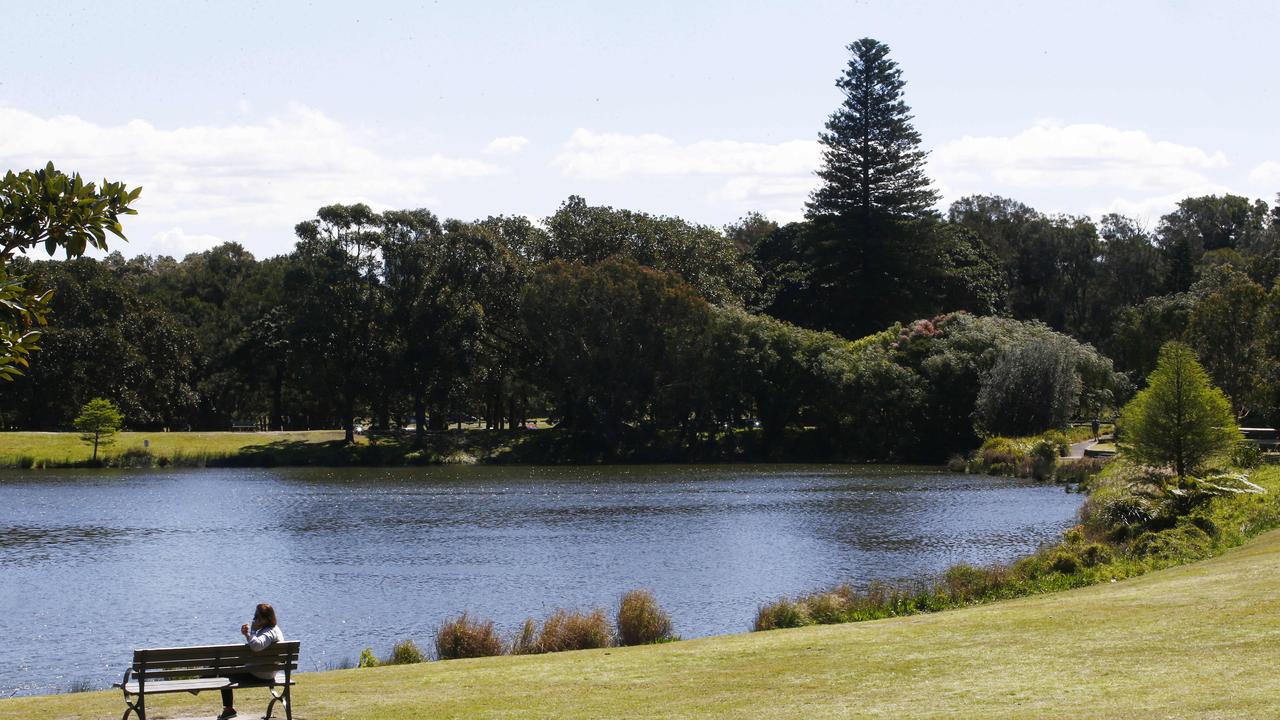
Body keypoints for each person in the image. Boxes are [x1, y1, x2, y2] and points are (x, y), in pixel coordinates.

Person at [218, 603, 284, 720]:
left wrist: (252, 631)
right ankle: (201, 680)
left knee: (224, 671)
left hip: (260, 674)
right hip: (265, 671)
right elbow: (258, 645)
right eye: (254, 616)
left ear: (266, 619)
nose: (254, 619)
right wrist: (248, 635)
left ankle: (228, 709)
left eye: (257, 617)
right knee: (226, 662)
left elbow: (256, 646)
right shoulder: (273, 630)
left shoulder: (269, 632)